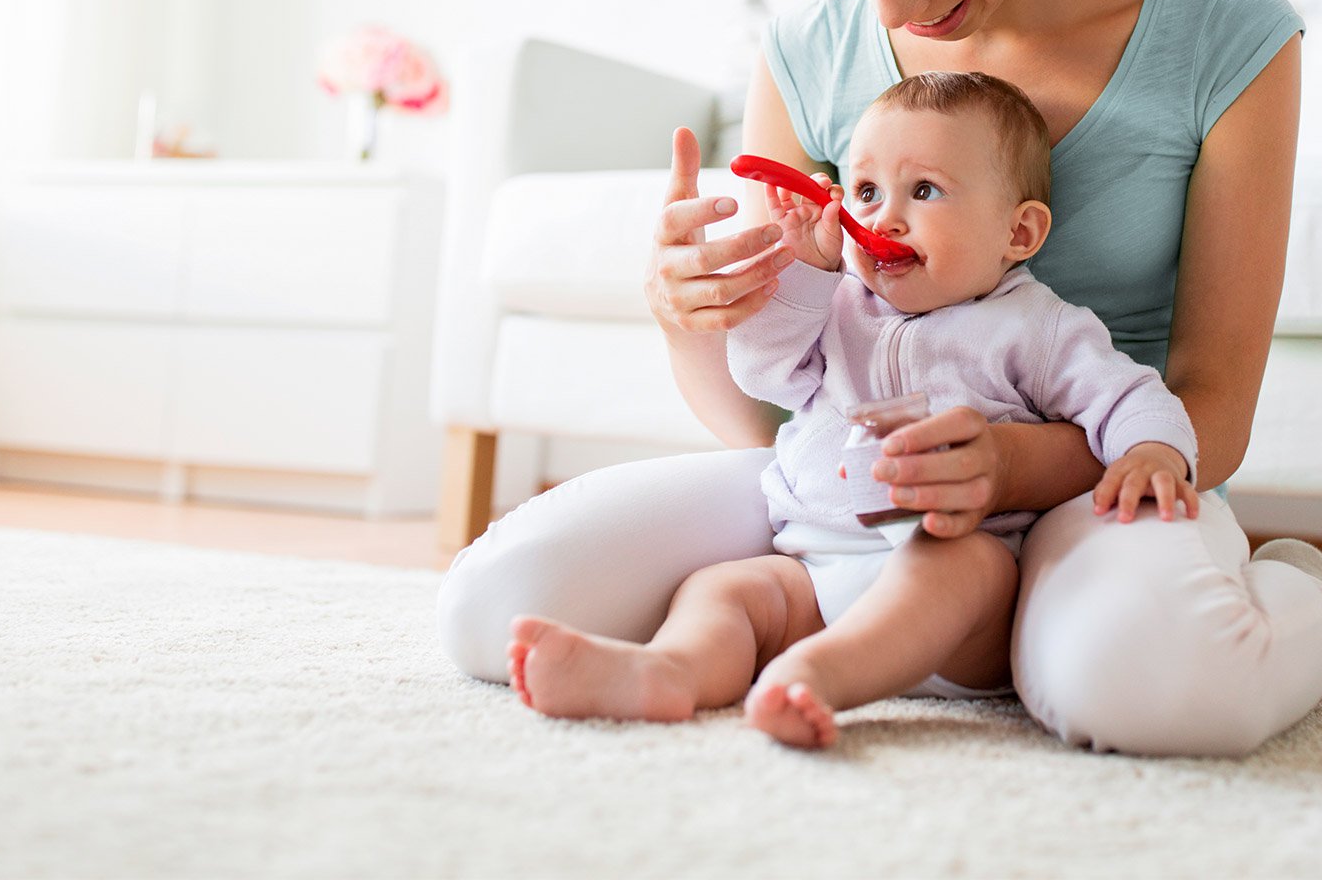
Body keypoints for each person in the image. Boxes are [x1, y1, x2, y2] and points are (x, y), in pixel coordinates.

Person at [438, 0, 1322, 758]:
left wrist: (1007, 460)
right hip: (848, 475)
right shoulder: (802, 52)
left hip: (1097, 481)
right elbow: (768, 415)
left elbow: (1212, 408)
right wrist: (689, 308)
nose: (890, 5)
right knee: (483, 611)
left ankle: (1318, 605)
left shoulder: (1229, 38)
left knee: (1150, 694)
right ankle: (830, 645)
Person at [506, 72, 1202, 748]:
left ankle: (815, 678)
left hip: (962, 601)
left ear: (1018, 234)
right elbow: (765, 374)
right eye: (866, 191)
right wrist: (805, 272)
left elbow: (1130, 397)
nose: (884, 217)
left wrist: (1152, 452)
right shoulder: (837, 305)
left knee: (963, 569)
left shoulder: (1038, 327)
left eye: (923, 190)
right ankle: (669, 671)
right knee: (724, 589)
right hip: (814, 567)